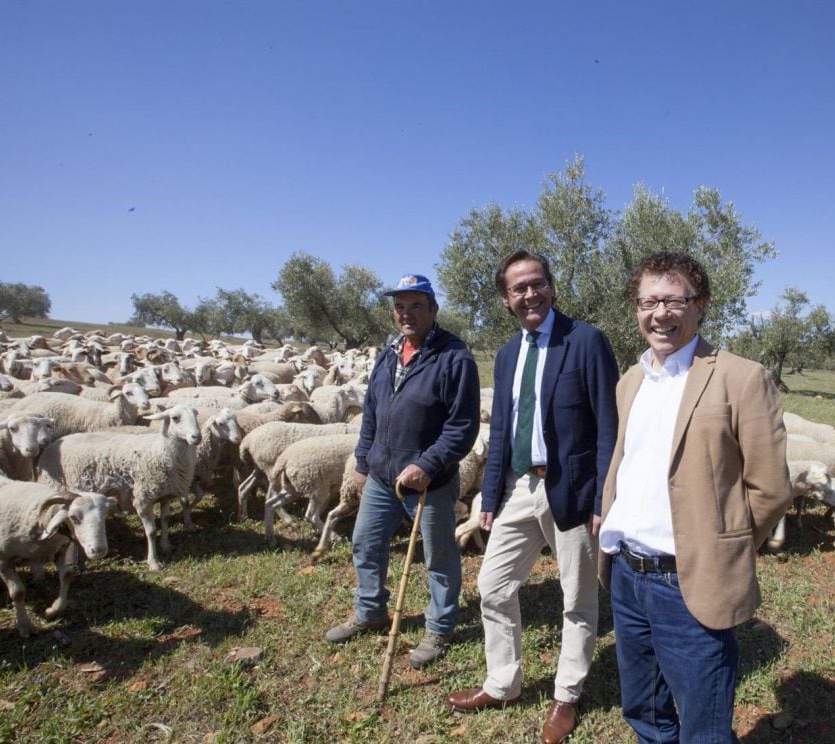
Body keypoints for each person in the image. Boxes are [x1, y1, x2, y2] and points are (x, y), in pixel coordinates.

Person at [597, 251, 792, 743]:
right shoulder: (631, 380)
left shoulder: (740, 377)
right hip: (626, 573)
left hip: (688, 579)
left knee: (703, 725)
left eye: (673, 300)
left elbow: (769, 488)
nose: (659, 313)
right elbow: (627, 461)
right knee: (646, 712)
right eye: (647, 301)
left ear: (700, 304)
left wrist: (723, 547)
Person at [446, 250, 618, 744]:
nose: (530, 295)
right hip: (520, 486)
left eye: (537, 284)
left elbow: (608, 425)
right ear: (505, 300)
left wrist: (604, 498)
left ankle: (566, 695)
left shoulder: (585, 341)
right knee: (493, 585)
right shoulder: (506, 354)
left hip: (574, 487)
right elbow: (500, 430)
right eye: (519, 289)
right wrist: (489, 496)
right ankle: (503, 682)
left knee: (577, 597)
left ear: (552, 288)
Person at [324, 273, 480, 671]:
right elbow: (372, 412)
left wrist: (427, 464)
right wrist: (363, 462)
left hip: (428, 482)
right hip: (382, 476)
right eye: (399, 307)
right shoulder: (389, 353)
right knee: (364, 542)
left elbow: (462, 426)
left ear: (433, 309)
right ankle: (370, 609)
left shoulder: (453, 356)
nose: (406, 314)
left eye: (415, 306)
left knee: (439, 555)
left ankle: (439, 628)